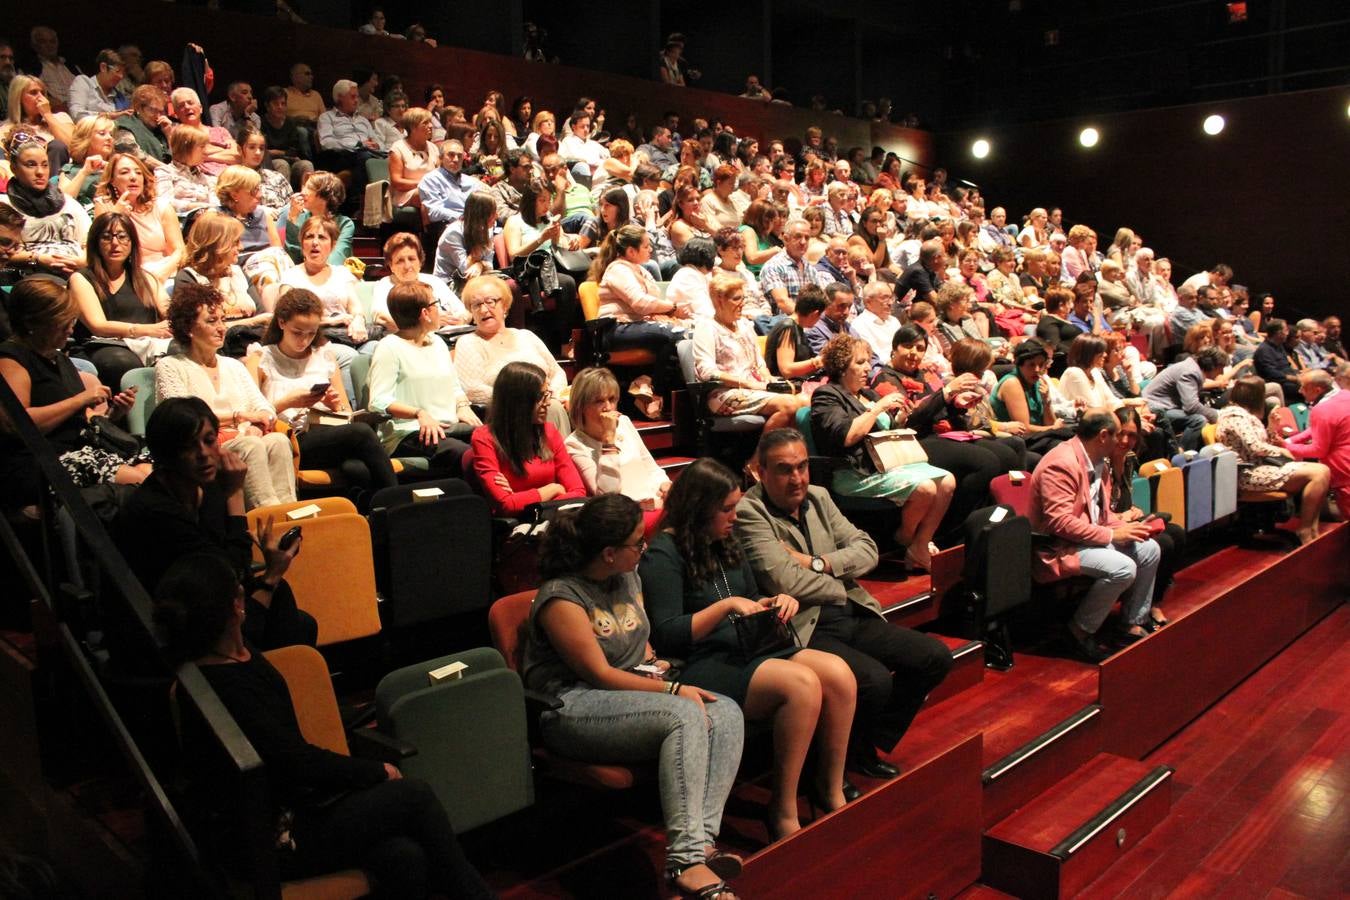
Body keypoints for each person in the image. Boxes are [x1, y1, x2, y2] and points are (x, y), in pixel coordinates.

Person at [152, 554, 492, 899]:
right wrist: (375, 770)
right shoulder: (218, 689)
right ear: (233, 607)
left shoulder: (232, 646)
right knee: (414, 796)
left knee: (404, 856)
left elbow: (256, 619)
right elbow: (294, 762)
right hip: (267, 835)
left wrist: (274, 572)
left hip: (296, 806)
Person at [524, 493, 744, 899]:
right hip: (572, 707)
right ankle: (684, 861)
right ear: (608, 552)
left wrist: (655, 664)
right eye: (637, 543)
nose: (645, 548)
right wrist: (673, 688)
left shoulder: (627, 576)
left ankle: (701, 844)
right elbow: (600, 674)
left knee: (726, 711)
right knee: (685, 713)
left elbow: (636, 644)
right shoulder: (561, 598)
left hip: (626, 694)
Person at [640, 458, 857, 839]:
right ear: (699, 508)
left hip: (748, 645)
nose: (735, 516)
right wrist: (725, 607)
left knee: (839, 674)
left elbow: (751, 596)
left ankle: (830, 788)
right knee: (802, 685)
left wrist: (776, 601)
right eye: (726, 509)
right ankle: (784, 807)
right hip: (703, 661)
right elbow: (667, 633)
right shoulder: (664, 553)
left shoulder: (727, 540)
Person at [736, 428, 953, 777]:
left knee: (934, 658)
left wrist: (818, 563)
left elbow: (867, 549)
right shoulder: (751, 511)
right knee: (875, 681)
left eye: (802, 466)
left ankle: (862, 741)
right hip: (803, 627)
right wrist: (838, 582)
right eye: (784, 469)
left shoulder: (819, 497)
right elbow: (784, 579)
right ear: (760, 471)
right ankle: (839, 761)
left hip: (851, 613)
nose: (797, 478)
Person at [810, 333, 957, 568]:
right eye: (859, 362)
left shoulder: (867, 394)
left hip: (887, 464)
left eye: (868, 361)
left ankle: (920, 544)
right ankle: (905, 538)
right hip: (855, 471)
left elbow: (886, 432)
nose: (867, 367)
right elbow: (846, 436)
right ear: (840, 366)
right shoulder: (827, 395)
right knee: (926, 488)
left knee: (948, 481)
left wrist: (899, 417)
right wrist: (878, 408)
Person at [0, 277, 150, 506]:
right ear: (33, 323)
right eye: (63, 322)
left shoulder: (59, 358)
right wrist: (80, 400)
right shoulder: (11, 359)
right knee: (140, 480)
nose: (71, 327)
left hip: (82, 448)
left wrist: (114, 414)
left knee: (158, 465)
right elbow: (16, 423)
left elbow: (84, 419)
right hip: (42, 462)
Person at [1028, 412, 1163, 662]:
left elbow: (1099, 514)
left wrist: (1128, 526)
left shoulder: (1097, 461)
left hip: (1085, 539)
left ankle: (1130, 623)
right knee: (1123, 568)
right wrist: (1112, 533)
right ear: (1103, 436)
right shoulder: (1061, 463)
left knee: (1150, 549)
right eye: (1118, 434)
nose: (1122, 441)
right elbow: (1060, 522)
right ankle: (1077, 632)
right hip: (1058, 548)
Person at [155, 282, 296, 509]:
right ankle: (267, 517)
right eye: (211, 321)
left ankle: (290, 511)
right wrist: (240, 417)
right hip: (202, 449)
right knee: (251, 445)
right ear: (189, 328)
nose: (222, 328)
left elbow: (265, 409)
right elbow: (184, 419)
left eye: (222, 320)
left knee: (277, 440)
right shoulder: (171, 366)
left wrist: (258, 425)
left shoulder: (233, 366)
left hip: (245, 439)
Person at [249, 288, 396, 495]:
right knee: (361, 433)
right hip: (288, 438)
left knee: (357, 469)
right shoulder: (261, 357)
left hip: (326, 434)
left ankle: (373, 517)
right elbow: (251, 415)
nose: (304, 340)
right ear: (282, 323)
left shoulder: (324, 356)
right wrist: (290, 402)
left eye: (311, 334)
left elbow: (345, 411)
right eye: (297, 333)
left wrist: (334, 405)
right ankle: (399, 501)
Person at [367, 281, 481, 474]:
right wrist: (419, 413)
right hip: (410, 432)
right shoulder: (389, 347)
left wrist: (463, 406)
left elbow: (453, 385)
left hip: (449, 426)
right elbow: (378, 401)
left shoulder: (436, 342)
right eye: (436, 303)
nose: (439, 309)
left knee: (495, 445)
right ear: (425, 313)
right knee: (467, 455)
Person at [1217, 376, 1332, 546]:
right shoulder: (1234, 417)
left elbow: (1262, 444)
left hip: (1261, 467)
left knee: (1323, 470)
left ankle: (1311, 527)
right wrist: (1281, 450)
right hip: (1246, 474)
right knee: (1317, 473)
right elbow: (1255, 447)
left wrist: (1272, 427)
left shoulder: (1245, 416)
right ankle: (1306, 528)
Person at [68, 211, 172, 390]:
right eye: (107, 237)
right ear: (96, 243)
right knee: (121, 362)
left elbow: (171, 312)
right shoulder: (81, 278)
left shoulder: (146, 278)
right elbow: (97, 325)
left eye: (122, 237)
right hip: (101, 345)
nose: (115, 243)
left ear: (132, 243)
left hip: (148, 343)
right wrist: (149, 330)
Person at [595, 225, 690, 418]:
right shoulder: (617, 270)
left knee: (690, 333)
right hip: (615, 330)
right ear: (631, 251)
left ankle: (646, 384)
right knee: (676, 335)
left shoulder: (641, 270)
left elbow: (653, 300)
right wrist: (672, 308)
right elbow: (639, 303)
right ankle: (654, 392)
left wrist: (671, 311)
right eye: (647, 246)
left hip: (636, 327)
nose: (651, 250)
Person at [468, 361, 585, 517]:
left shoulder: (549, 432)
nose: (548, 403)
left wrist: (526, 500)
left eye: (547, 394)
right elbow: (506, 505)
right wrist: (552, 489)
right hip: (517, 528)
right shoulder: (484, 438)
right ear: (518, 402)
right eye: (541, 397)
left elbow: (578, 492)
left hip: (556, 519)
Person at [692, 273, 808, 431]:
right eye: (736, 299)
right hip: (724, 394)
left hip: (755, 387)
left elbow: (759, 363)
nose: (742, 304)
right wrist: (746, 383)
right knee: (789, 404)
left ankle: (789, 451)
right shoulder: (707, 327)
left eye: (743, 298)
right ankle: (761, 456)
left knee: (804, 402)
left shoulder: (745, 325)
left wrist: (769, 380)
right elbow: (707, 372)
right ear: (719, 300)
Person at [454, 276, 568, 433]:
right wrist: (527, 400)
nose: (484, 309)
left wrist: (551, 395)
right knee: (552, 409)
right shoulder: (469, 342)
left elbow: (556, 372)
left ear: (505, 305)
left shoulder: (526, 336)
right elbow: (473, 389)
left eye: (490, 301)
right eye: (476, 305)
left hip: (547, 402)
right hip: (507, 414)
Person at [564, 367, 670, 521]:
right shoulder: (574, 444)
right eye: (599, 401)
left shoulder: (624, 423)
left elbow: (651, 467)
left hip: (655, 503)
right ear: (581, 406)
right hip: (626, 518)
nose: (608, 407)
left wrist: (665, 483)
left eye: (612, 399)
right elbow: (608, 496)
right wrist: (609, 439)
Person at [1109, 406, 1184, 617]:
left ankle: (1153, 602)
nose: (1125, 440)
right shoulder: (1102, 462)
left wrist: (1133, 510)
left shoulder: (1129, 458)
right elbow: (1099, 509)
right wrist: (1122, 516)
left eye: (1131, 435)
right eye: (1120, 434)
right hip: (1112, 526)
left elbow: (1124, 498)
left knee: (1176, 533)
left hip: (1127, 520)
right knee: (1164, 542)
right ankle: (1134, 609)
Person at [174, 211, 271, 354]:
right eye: (235, 242)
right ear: (217, 245)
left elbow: (262, 318)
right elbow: (200, 329)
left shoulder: (239, 273)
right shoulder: (189, 279)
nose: (241, 248)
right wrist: (251, 322)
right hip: (218, 351)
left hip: (251, 345)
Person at [91, 152, 183, 283]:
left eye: (138, 173)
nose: (133, 177)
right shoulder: (104, 205)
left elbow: (179, 251)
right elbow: (99, 249)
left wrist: (163, 273)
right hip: (126, 276)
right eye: (124, 172)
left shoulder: (161, 206)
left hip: (164, 273)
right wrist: (116, 215)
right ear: (112, 180)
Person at [2, 139, 89, 276]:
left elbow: (89, 242)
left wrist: (83, 261)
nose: (40, 172)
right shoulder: (5, 205)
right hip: (29, 276)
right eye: (31, 165)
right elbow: (3, 251)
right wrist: (37, 259)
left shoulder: (68, 202)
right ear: (14, 168)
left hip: (78, 272)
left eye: (45, 165)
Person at [375, 232, 468, 332]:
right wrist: (431, 321)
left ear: (420, 262)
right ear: (391, 266)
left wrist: (460, 320)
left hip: (448, 335)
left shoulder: (434, 281)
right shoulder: (384, 285)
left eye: (411, 259)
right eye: (400, 261)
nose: (407, 266)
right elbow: (382, 318)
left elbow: (464, 312)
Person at [1284, 367, 1350, 507]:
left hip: (1343, 470)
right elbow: (1315, 429)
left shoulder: (1322, 409)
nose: (1299, 391)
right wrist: (1290, 440)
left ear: (1317, 390)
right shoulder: (1345, 395)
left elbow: (1318, 450)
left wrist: (1286, 447)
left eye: (1303, 387)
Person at [1142, 347, 1227, 451]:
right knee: (1199, 420)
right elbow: (1191, 406)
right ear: (1212, 365)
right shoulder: (1190, 372)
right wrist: (1217, 415)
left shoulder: (1192, 368)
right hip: (1155, 409)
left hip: (1167, 407)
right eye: (1221, 367)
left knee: (1205, 415)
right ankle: (1181, 454)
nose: (1222, 372)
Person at [992, 340, 1071, 453]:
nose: (1037, 370)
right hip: (1015, 439)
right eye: (1031, 365)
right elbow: (1025, 429)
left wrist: (1046, 401)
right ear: (1019, 365)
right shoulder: (1012, 383)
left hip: (1039, 436)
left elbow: (1050, 423)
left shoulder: (1038, 381)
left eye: (1041, 365)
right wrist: (1053, 429)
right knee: (1059, 444)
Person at [280, 171, 354, 265]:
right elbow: (293, 258)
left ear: (325, 193)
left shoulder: (345, 224)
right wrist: (292, 219)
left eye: (309, 187)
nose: (302, 192)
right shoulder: (298, 219)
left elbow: (337, 257)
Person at [154, 124, 217, 216]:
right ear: (186, 148)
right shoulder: (165, 172)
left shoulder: (204, 177)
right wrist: (197, 206)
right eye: (202, 147)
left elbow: (215, 203)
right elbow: (163, 203)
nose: (206, 151)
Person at [256, 87, 312, 190]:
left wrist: (278, 152)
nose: (280, 107)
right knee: (282, 164)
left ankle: (309, 200)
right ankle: (285, 202)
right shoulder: (261, 122)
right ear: (267, 106)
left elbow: (294, 150)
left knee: (306, 164)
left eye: (283, 103)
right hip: (270, 163)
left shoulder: (290, 123)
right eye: (276, 104)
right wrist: (282, 153)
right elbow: (263, 151)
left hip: (290, 161)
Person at [387, 106, 439, 211]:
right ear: (413, 127)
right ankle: (432, 227)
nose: (430, 126)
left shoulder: (433, 147)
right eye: (425, 123)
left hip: (432, 190)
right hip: (405, 194)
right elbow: (397, 182)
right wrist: (425, 184)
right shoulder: (398, 148)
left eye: (430, 122)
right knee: (426, 193)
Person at [60, 115, 116, 210]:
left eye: (111, 134)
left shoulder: (119, 169)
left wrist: (111, 172)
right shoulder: (71, 170)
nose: (109, 138)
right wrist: (84, 172)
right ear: (86, 138)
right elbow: (63, 204)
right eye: (102, 133)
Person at [113, 85, 171, 165]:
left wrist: (169, 135)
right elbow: (131, 151)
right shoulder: (124, 124)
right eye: (153, 110)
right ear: (138, 107)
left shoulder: (161, 128)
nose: (158, 116)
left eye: (160, 112)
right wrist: (166, 169)